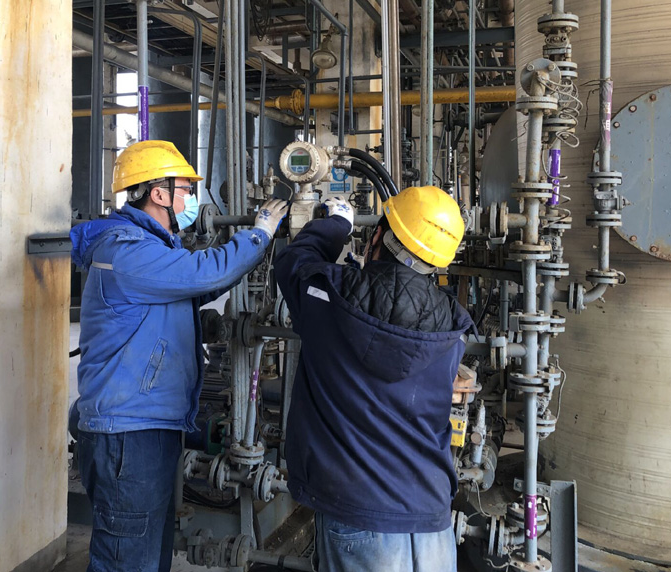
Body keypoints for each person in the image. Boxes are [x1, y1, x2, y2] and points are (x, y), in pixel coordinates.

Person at [70, 140, 287, 572]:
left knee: (148, 552)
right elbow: (203, 272)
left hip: (144, 424)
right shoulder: (127, 251)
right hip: (128, 431)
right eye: (186, 190)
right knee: (126, 559)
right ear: (158, 193)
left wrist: (238, 260)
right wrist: (258, 234)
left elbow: (195, 286)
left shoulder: (148, 249)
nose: (190, 200)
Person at [274, 186, 472, 572]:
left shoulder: (328, 295)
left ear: (378, 235)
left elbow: (293, 263)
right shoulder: (453, 330)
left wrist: (336, 225)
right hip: (431, 519)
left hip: (357, 513)